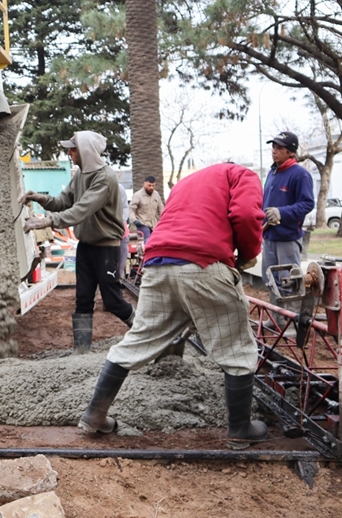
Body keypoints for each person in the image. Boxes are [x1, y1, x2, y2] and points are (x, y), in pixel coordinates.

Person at [78, 162, 268, 449]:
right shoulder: (242, 174)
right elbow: (245, 214)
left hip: (157, 263)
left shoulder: (187, 182)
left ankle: (94, 416)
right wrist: (249, 254)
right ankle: (240, 428)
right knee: (237, 347)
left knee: (138, 340)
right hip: (203, 263)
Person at [19, 131, 134, 354]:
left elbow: (82, 210)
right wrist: (40, 198)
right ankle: (81, 353)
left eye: (73, 149)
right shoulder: (81, 175)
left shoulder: (105, 178)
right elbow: (64, 201)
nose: (69, 153)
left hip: (106, 248)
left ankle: (145, 333)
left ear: (85, 151)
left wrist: (47, 222)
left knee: (112, 301)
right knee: (83, 299)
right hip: (87, 247)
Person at [261, 131, 314, 328]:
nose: (274, 151)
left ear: (291, 152)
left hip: (287, 238)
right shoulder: (273, 173)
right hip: (270, 236)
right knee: (271, 279)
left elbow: (307, 204)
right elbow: (264, 202)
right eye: (273, 147)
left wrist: (282, 213)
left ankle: (291, 321)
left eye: (279, 148)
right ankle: (275, 318)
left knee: (289, 281)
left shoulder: (300, 175)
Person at [128, 176, 164, 243]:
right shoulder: (137, 195)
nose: (151, 187)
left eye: (153, 186)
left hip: (155, 225)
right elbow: (131, 210)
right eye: (149, 185)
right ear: (144, 184)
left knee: (159, 241)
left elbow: (161, 209)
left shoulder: (156, 195)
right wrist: (135, 221)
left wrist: (163, 221)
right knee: (148, 241)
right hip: (142, 224)